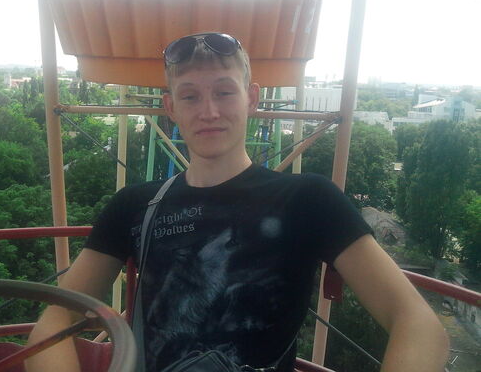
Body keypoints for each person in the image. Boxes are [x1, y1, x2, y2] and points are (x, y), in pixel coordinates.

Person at [26, 33, 449, 372]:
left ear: (252, 97)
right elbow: (55, 320)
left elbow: (417, 323)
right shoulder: (133, 205)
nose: (208, 111)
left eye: (224, 92)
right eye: (190, 96)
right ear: (171, 107)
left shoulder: (308, 199)